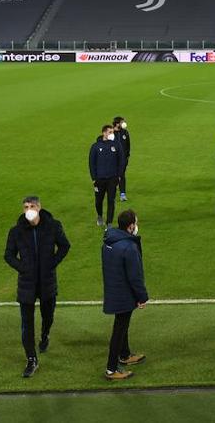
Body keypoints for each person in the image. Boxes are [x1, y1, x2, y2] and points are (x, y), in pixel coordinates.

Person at [4, 195, 70, 378]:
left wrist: (52, 263)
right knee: (26, 323)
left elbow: (65, 246)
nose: (29, 210)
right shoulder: (16, 231)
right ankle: (31, 359)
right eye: (26, 207)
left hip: (47, 281)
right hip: (27, 283)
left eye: (32, 206)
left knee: (48, 315)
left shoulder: (53, 226)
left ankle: (45, 334)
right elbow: (8, 255)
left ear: (39, 207)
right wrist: (23, 268)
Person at [101, 209, 148, 381]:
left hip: (114, 289)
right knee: (119, 330)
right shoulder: (129, 247)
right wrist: (142, 297)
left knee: (122, 325)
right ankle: (111, 369)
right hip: (124, 293)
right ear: (130, 226)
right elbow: (135, 276)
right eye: (135, 223)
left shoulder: (109, 241)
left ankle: (125, 354)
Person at [90, 124, 125, 226]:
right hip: (99, 179)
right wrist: (94, 178)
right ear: (104, 133)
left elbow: (121, 161)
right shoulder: (96, 146)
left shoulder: (117, 145)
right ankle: (100, 216)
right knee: (98, 201)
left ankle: (109, 223)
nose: (112, 134)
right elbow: (92, 163)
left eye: (112, 132)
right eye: (110, 132)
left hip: (112, 179)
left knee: (111, 201)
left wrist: (119, 176)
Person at [113, 116, 131, 201]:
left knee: (122, 175)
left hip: (123, 159)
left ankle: (122, 194)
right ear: (117, 124)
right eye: (122, 122)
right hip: (113, 159)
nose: (124, 123)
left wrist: (127, 156)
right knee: (113, 175)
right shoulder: (111, 133)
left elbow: (128, 145)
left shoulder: (125, 132)